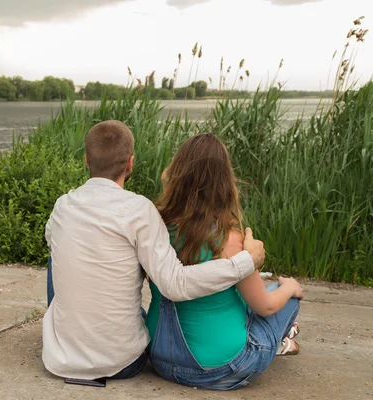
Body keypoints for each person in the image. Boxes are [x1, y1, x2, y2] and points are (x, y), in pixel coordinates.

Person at [42, 120, 266, 381]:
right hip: (121, 363)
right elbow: (175, 285)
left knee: (58, 252)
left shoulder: (62, 206)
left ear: (86, 160)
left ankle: (74, 336)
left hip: (60, 359)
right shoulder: (138, 210)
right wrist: (245, 262)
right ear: (130, 163)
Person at [147, 133, 303, 390]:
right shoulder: (230, 240)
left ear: (176, 176)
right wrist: (290, 287)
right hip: (220, 368)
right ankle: (279, 340)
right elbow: (264, 307)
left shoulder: (156, 228)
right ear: (224, 182)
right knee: (286, 298)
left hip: (160, 358)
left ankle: (282, 338)